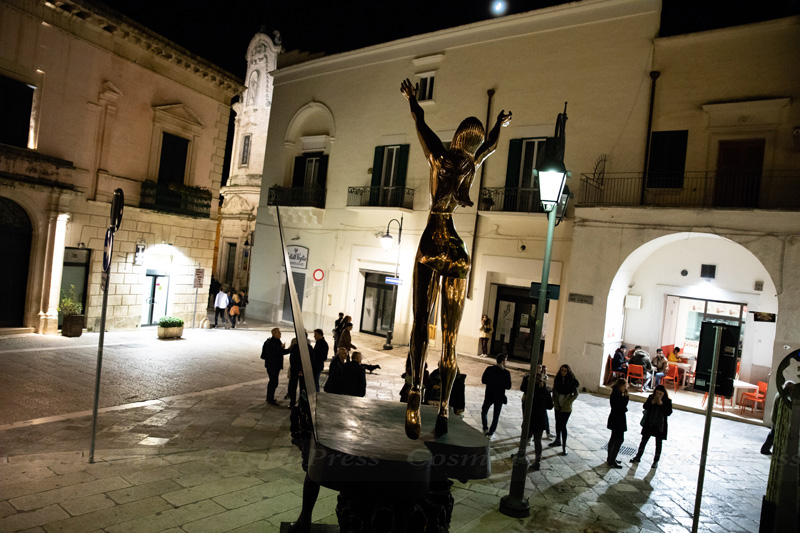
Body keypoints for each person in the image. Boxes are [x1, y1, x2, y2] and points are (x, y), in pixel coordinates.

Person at [401, 77, 512, 439]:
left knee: (421, 328)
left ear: (456, 138)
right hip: (456, 250)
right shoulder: (471, 162)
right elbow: (492, 146)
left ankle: (415, 402)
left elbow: (420, 123)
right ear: (473, 141)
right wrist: (499, 125)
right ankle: (445, 410)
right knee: (450, 338)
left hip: (432, 241)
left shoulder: (441, 156)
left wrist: (412, 99)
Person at [631, 384, 674, 468]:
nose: (658, 395)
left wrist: (661, 404)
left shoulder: (667, 401)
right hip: (649, 423)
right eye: (657, 393)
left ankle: (655, 461)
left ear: (664, 394)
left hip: (660, 425)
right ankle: (638, 457)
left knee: (658, 444)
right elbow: (645, 406)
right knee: (643, 441)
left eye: (660, 394)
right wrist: (652, 403)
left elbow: (669, 412)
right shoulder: (651, 397)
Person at [480, 354, 512, 440]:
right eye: (506, 360)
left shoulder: (489, 369)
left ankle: (485, 428)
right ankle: (491, 432)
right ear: (502, 361)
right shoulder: (506, 373)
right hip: (499, 396)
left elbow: (483, 380)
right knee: (496, 416)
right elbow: (508, 386)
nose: (506, 362)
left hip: (489, 394)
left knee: (484, 411)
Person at [550, 364, 579, 455]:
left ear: (568, 372)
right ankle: (557, 439)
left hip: (566, 407)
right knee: (557, 423)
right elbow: (554, 391)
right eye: (562, 370)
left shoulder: (571, 382)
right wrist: (555, 401)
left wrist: (569, 402)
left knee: (563, 425)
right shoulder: (558, 380)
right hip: (558, 405)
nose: (563, 372)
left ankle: (564, 446)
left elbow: (576, 394)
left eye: (565, 371)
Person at [527, 374, 553, 471]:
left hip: (533, 416)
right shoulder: (545, 391)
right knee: (537, 440)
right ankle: (536, 461)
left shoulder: (532, 389)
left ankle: (536, 461)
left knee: (533, 439)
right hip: (539, 417)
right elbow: (550, 405)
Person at [761, 381, 795, 455]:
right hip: (776, 419)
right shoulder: (782, 397)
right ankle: (765, 449)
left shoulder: (780, 394)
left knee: (772, 434)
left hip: (775, 417)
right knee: (773, 435)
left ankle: (765, 448)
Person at [261, 328, 290, 405]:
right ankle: (270, 399)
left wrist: (285, 349)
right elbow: (276, 353)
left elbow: (279, 352)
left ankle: (270, 398)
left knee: (273, 382)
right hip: (272, 366)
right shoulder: (271, 343)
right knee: (273, 382)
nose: (280, 334)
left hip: (274, 366)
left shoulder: (276, 341)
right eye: (279, 332)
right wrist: (283, 349)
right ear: (274, 334)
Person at [606, 377, 629, 468]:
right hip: (618, 419)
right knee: (618, 440)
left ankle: (610, 458)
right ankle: (612, 459)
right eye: (623, 386)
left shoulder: (616, 393)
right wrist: (626, 397)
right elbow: (622, 406)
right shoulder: (618, 395)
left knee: (613, 438)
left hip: (616, 418)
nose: (625, 388)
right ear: (619, 386)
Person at [288, 335, 313, 408]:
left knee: (295, 387)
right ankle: (300, 403)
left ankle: (293, 403)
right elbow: (311, 361)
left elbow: (292, 360)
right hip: (303, 371)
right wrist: (302, 370)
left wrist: (298, 370)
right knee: (302, 387)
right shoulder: (309, 348)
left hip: (296, 371)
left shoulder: (295, 347)